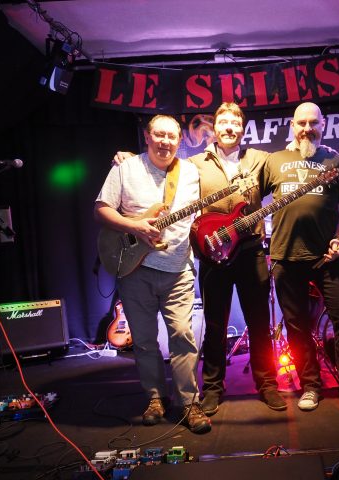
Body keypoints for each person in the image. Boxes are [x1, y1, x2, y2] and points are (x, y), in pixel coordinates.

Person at [114, 103, 286, 416]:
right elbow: (157, 165)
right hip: (213, 254)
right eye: (224, 122)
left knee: (260, 323)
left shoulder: (261, 159)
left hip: (250, 251)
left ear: (243, 129)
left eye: (236, 122)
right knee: (215, 324)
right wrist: (127, 158)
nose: (230, 127)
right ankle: (212, 388)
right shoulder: (192, 164)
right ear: (214, 127)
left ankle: (267, 384)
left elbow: (286, 178)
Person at [260, 102, 339, 415]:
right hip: (286, 258)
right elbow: (250, 202)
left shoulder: (336, 161)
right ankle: (311, 386)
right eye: (301, 123)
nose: (307, 129)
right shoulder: (274, 161)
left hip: (329, 259)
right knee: (298, 327)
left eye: (313, 123)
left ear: (323, 125)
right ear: (292, 126)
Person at [95, 115, 211, 434]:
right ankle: (155, 398)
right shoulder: (125, 167)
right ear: (147, 137)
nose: (165, 141)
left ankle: (188, 402)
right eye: (159, 134)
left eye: (171, 136)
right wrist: (135, 226)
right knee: (144, 341)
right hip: (135, 269)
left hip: (178, 270)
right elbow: (101, 209)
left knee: (184, 338)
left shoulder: (190, 172)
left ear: (179, 140)